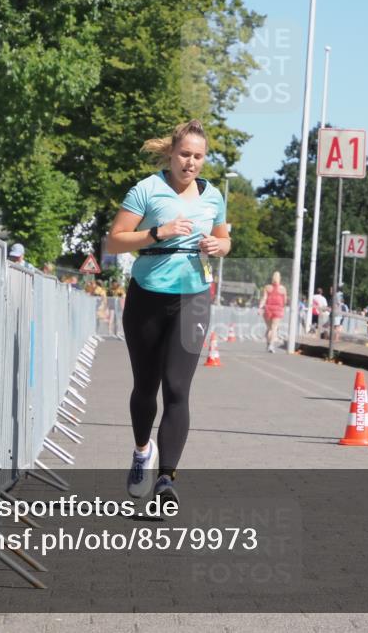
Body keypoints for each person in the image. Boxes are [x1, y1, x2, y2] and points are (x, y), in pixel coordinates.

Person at [105, 120, 230, 506]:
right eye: (184, 155)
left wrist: (219, 246)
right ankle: (143, 452)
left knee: (177, 389)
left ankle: (166, 479)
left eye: (198, 157)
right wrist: (159, 232)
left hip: (193, 296)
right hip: (147, 294)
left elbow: (225, 238)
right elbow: (114, 240)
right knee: (146, 387)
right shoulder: (147, 189)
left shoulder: (213, 196)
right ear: (171, 154)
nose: (190, 163)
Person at [259, 271, 287, 353]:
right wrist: (282, 306)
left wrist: (260, 307)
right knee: (274, 328)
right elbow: (285, 301)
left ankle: (268, 344)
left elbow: (264, 298)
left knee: (269, 328)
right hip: (278, 310)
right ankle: (271, 345)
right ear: (280, 278)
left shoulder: (267, 287)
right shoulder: (283, 289)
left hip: (268, 309)